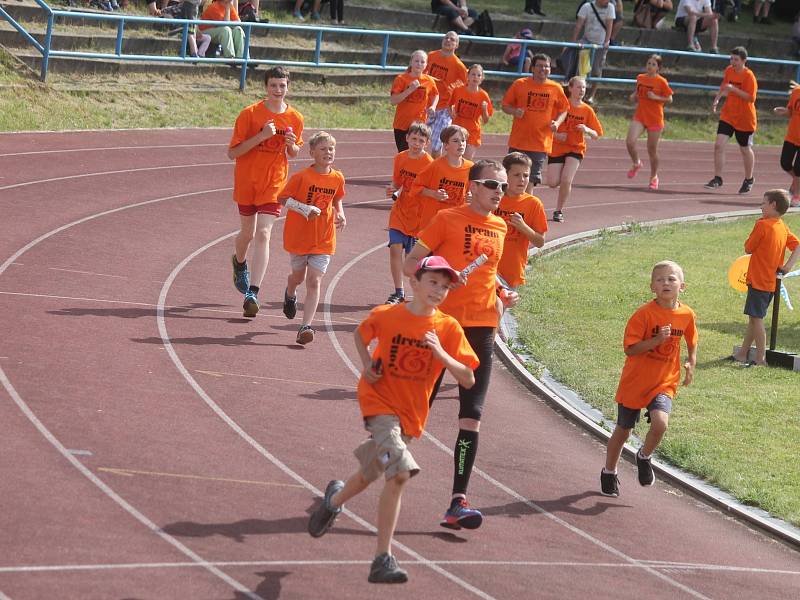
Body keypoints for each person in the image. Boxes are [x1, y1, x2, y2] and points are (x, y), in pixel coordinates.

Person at [307, 255, 479, 584]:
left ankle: (334, 501)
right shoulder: (389, 316)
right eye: (433, 282)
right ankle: (382, 559)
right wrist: (367, 364)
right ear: (414, 282)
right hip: (379, 405)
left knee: (368, 474)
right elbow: (360, 334)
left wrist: (442, 355)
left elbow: (469, 378)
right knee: (398, 474)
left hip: (410, 417)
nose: (439, 290)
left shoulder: (447, 328)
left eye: (445, 286)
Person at [403, 160, 520, 531]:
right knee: (412, 415)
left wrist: (502, 292)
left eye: (503, 186)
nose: (498, 191)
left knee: (471, 417)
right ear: (471, 186)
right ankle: (365, 479)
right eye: (491, 184)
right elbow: (410, 264)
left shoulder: (501, 226)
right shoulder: (446, 219)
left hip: (481, 330)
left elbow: (487, 273)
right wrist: (438, 281)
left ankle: (458, 501)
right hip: (441, 328)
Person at [600, 260, 698, 497]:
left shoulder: (686, 314)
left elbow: (692, 339)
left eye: (671, 279)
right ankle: (609, 471)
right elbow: (630, 349)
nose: (666, 283)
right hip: (636, 382)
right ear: (652, 287)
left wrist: (690, 362)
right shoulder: (643, 315)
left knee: (661, 423)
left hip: (664, 382)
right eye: (660, 279)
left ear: (682, 286)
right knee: (623, 430)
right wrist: (655, 341)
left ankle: (644, 456)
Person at [228, 66, 303, 318]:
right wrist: (261, 136)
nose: (278, 90)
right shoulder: (250, 114)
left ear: (288, 87)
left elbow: (294, 153)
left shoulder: (295, 118)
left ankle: (253, 292)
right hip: (248, 181)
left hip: (274, 183)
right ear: (265, 87)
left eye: (282, 86)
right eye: (273, 85)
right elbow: (233, 153)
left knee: (264, 233)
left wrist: (292, 148)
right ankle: (239, 262)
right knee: (247, 234)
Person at [279, 131, 346, 346]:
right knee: (298, 278)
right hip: (299, 238)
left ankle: (305, 326)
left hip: (324, 238)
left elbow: (337, 199)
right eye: (323, 149)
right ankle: (290, 292)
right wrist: (304, 207)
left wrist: (341, 213)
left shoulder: (337, 177)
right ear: (312, 153)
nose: (328, 152)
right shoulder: (301, 177)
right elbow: (282, 199)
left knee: (314, 280)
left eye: (331, 149)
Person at [730, 190, 800, 366]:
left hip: (759, 280)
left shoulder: (763, 225)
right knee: (754, 318)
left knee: (757, 319)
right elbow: (797, 245)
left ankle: (761, 358)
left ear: (773, 205)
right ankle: (743, 353)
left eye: (763, 203)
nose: (761, 206)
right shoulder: (781, 226)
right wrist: (787, 267)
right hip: (770, 282)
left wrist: (758, 225)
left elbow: (748, 247)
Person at [501, 53, 569, 190]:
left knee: (529, 181)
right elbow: (505, 105)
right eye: (539, 66)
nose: (543, 69)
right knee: (510, 179)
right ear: (532, 68)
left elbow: (564, 109)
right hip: (518, 141)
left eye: (546, 66)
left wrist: (557, 123)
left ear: (550, 69)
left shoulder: (555, 88)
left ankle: (526, 210)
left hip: (540, 143)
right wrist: (514, 111)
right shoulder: (520, 84)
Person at [384, 122, 434, 305]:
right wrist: (392, 189)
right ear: (406, 138)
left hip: (418, 216)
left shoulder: (429, 163)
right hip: (400, 210)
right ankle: (398, 291)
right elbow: (397, 182)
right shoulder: (399, 158)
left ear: (427, 143)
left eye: (421, 140)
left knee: (411, 259)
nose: (416, 143)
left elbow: (429, 189)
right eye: (413, 139)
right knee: (395, 248)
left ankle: (417, 293)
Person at [547, 76, 602, 223]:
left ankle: (558, 211)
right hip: (558, 147)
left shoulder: (587, 110)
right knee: (552, 182)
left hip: (576, 148)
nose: (582, 90)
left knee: (566, 179)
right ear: (570, 88)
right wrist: (557, 136)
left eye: (583, 88)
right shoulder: (561, 106)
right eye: (578, 87)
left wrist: (587, 130)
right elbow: (548, 126)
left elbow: (597, 134)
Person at [705, 47, 757, 194]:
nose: (733, 62)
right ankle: (717, 178)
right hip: (728, 115)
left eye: (736, 60)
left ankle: (749, 179)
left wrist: (733, 89)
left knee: (745, 149)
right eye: (731, 59)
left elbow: (751, 98)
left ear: (744, 61)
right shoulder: (729, 70)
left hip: (744, 118)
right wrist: (717, 100)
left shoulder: (749, 76)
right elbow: (724, 86)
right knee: (718, 145)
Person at [494, 152, 547, 289]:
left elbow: (540, 241)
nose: (522, 180)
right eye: (516, 175)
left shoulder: (533, 204)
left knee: (501, 309)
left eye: (526, 175)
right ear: (505, 175)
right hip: (487, 267)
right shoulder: (494, 197)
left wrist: (524, 227)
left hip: (511, 271)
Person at [625, 54, 673, 191]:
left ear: (658, 67)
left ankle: (654, 177)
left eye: (653, 64)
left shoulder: (661, 81)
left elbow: (669, 99)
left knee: (651, 150)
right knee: (630, 142)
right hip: (640, 115)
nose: (650, 66)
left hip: (655, 118)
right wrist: (634, 96)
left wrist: (655, 97)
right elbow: (637, 91)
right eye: (649, 63)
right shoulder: (640, 78)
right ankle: (636, 163)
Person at [411, 125, 473, 229]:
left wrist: (472, 197)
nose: (461, 144)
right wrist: (433, 193)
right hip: (433, 222)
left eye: (463, 140)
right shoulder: (435, 166)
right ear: (445, 145)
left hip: (455, 222)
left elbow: (474, 192)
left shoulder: (471, 168)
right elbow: (415, 187)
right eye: (455, 141)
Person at [424, 32, 468, 158]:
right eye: (446, 38)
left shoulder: (459, 66)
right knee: (420, 138)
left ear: (457, 45)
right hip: (427, 103)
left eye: (452, 39)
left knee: (437, 144)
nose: (448, 40)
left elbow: (464, 87)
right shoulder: (431, 56)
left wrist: (454, 102)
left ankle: (434, 171)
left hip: (444, 108)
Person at [390, 50, 439, 153]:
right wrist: (410, 90)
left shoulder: (429, 81)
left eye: (422, 62)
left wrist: (433, 106)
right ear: (411, 62)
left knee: (416, 153)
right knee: (404, 153)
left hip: (419, 124)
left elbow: (435, 94)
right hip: (402, 124)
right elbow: (393, 101)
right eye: (416, 61)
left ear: (426, 65)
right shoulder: (401, 79)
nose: (419, 64)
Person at [570, 0, 615, 105]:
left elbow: (610, 25)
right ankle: (578, 93)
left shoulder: (610, 7)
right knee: (582, 69)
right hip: (587, 41)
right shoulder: (587, 6)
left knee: (596, 69)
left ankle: (592, 94)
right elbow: (579, 25)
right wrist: (573, 42)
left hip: (600, 44)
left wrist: (607, 41)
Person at [449, 64, 493, 160]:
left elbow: (486, 120)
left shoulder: (483, 96)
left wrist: (485, 110)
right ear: (467, 76)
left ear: (482, 78)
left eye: (478, 75)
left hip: (472, 132)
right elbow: (449, 105)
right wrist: (451, 113)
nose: (475, 77)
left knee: (467, 159)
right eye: (473, 74)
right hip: (457, 129)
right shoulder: (458, 91)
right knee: (454, 158)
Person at [773, 82, 800, 207]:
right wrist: (784, 111)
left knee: (799, 168)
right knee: (785, 163)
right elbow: (791, 112)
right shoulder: (796, 92)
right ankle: (797, 183)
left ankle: (797, 195)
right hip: (792, 135)